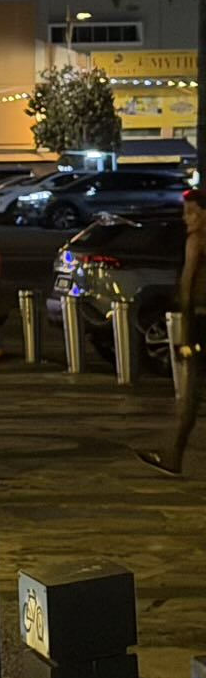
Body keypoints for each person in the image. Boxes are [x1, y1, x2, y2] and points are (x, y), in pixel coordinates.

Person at [137, 189, 206, 477]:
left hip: (202, 324)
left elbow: (188, 287)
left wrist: (186, 337)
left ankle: (174, 455)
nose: (185, 218)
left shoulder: (196, 241)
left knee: (191, 396)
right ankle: (173, 454)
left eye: (191, 212)